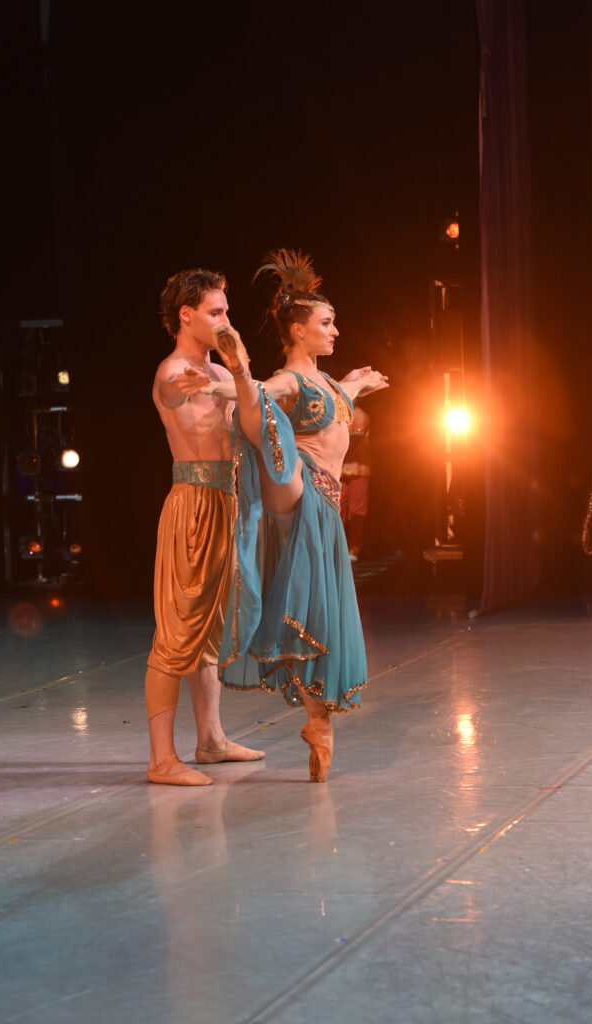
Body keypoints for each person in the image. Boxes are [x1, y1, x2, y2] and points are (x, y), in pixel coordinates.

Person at [206, 249, 388, 782]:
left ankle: (319, 723)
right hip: (298, 491)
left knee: (317, 622)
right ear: (299, 331)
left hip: (326, 509)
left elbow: (341, 396)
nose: (335, 330)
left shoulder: (329, 385)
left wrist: (358, 382)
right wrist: (229, 382)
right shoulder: (289, 381)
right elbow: (267, 394)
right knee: (272, 436)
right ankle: (240, 376)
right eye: (326, 324)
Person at [145, 268, 264, 786]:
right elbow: (171, 392)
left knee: (210, 630)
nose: (225, 321)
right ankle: (160, 760)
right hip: (193, 504)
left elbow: (262, 413)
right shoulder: (174, 368)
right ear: (186, 315)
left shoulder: (219, 373)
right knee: (177, 632)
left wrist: (237, 373)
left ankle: (211, 740)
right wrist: (186, 385)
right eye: (216, 313)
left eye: (226, 311)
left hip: (225, 502)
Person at [340, 400, 372, 561]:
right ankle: (339, 546)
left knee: (356, 509)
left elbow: (356, 437)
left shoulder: (359, 414)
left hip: (358, 467)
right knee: (338, 508)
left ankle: (355, 549)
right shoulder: (339, 415)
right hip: (341, 468)